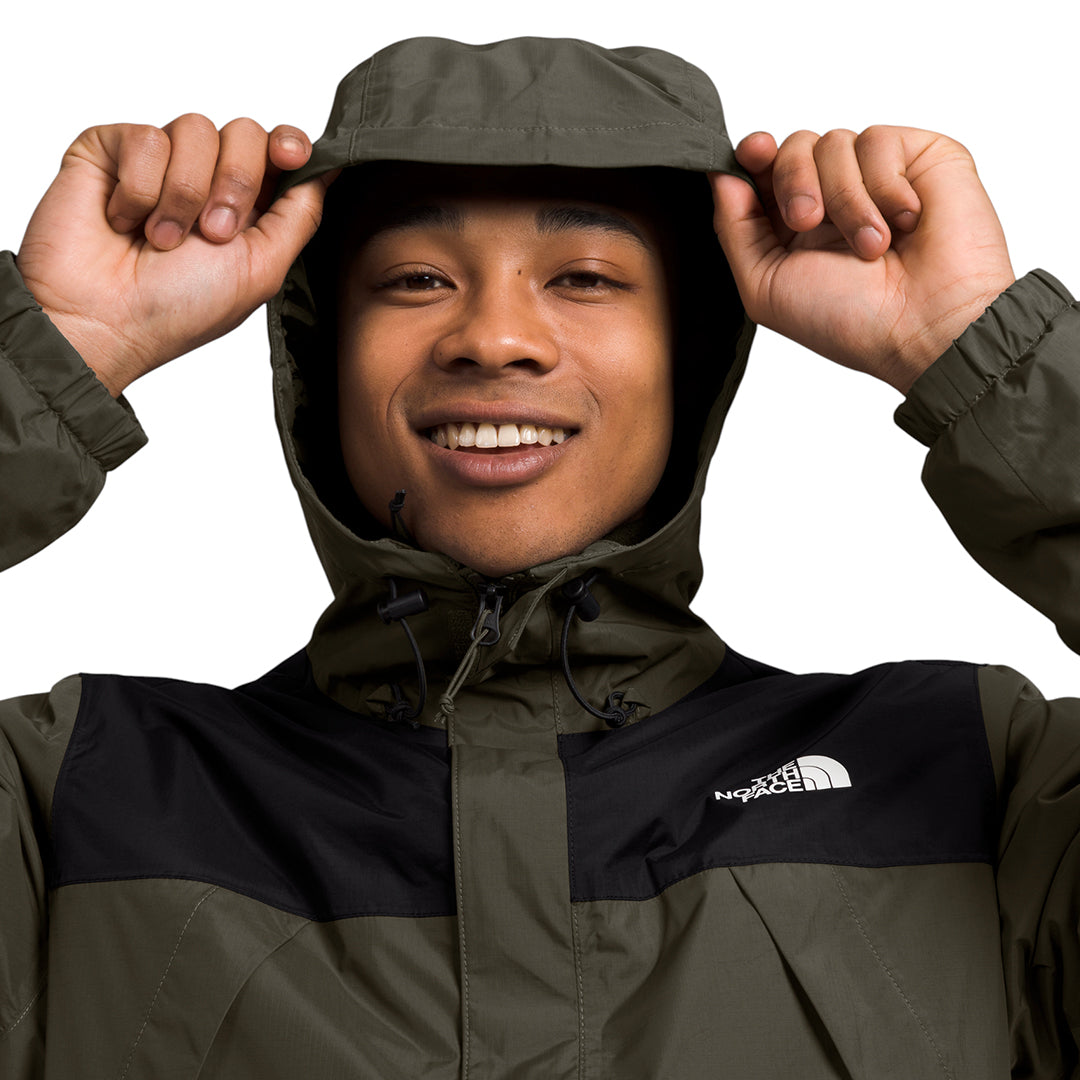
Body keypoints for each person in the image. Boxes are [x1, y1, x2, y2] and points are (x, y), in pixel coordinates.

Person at [0, 34, 1076, 1078]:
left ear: (690, 356)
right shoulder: (70, 806)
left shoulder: (978, 784)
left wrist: (973, 348)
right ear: (320, 360)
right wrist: (62, 349)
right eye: (416, 279)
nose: (496, 337)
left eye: (588, 278)